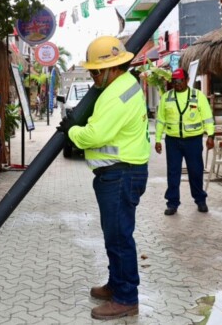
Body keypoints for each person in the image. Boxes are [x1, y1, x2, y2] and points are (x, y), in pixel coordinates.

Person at [59, 36, 149, 320]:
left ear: (114, 68)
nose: (93, 76)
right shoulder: (122, 86)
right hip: (120, 172)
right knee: (114, 234)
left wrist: (72, 131)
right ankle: (116, 285)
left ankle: (126, 297)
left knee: (119, 236)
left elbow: (94, 135)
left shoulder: (115, 94)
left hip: (121, 173)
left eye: (97, 71)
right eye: (91, 71)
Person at [155, 67, 215, 215]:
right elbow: (161, 120)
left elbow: (208, 117)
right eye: (174, 81)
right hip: (172, 141)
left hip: (193, 141)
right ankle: (172, 203)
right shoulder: (166, 97)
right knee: (173, 172)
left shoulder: (198, 96)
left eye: (180, 81)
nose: (177, 84)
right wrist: (157, 140)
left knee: (196, 171)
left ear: (187, 80)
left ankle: (200, 200)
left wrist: (211, 135)